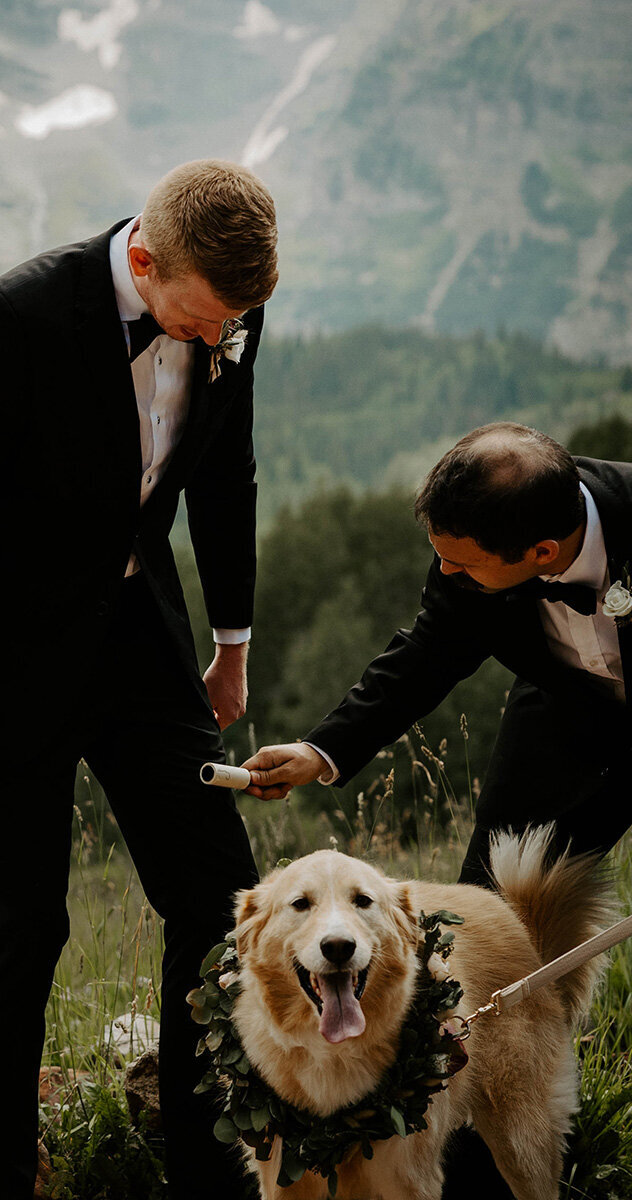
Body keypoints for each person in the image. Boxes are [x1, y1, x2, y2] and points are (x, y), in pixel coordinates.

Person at [0, 159, 278, 1200]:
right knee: (24, 922)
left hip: (140, 636)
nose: (215, 339)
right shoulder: (15, 315)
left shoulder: (224, 307)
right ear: (144, 261)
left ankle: (206, 1173)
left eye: (230, 324)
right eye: (199, 320)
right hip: (7, 655)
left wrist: (230, 641)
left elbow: (225, 477)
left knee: (217, 896)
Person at [242, 421, 632, 1198]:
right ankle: (489, 1173)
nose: (443, 570)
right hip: (558, 718)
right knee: (480, 935)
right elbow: (426, 653)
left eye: (460, 562)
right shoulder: (472, 555)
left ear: (543, 555)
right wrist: (324, 752)